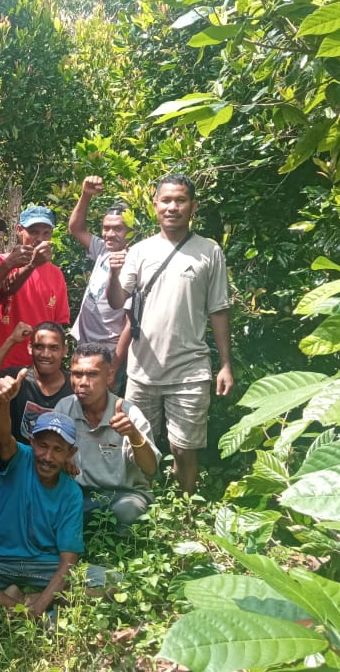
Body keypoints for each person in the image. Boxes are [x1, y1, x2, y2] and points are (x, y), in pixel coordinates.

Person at [0, 370, 107, 616]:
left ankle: (19, 599)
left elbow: (69, 561)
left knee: (113, 582)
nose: (48, 457)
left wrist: (40, 602)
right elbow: (3, 437)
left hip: (43, 567)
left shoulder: (71, 493)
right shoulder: (18, 459)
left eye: (58, 450)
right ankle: (16, 607)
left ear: (70, 453)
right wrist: (2, 403)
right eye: (43, 446)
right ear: (32, 442)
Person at [106, 173, 233, 494]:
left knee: (184, 449)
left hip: (190, 370)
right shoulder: (140, 251)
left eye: (180, 200)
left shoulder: (209, 251)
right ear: (155, 206)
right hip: (141, 370)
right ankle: (140, 510)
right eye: (166, 200)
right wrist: (114, 272)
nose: (172, 207)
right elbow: (117, 300)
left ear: (193, 206)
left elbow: (219, 310)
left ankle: (185, 515)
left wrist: (226, 365)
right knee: (137, 446)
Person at [0, 321, 73, 528]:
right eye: (39, 346)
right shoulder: (15, 377)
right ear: (29, 347)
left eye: (53, 347)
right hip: (14, 458)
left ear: (64, 350)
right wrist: (11, 340)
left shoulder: (74, 387)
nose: (45, 353)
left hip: (53, 463)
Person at [55, 343, 159, 528]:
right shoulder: (64, 408)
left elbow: (151, 469)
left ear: (109, 375)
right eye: (77, 374)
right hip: (78, 493)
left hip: (124, 494)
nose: (83, 382)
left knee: (126, 511)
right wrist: (62, 458)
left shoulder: (129, 412)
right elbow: (47, 455)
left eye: (92, 374)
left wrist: (134, 435)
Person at [67, 176, 132, 390]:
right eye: (106, 228)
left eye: (118, 229)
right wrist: (86, 195)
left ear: (131, 232)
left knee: (102, 409)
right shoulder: (104, 250)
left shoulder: (135, 261)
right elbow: (76, 228)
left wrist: (114, 365)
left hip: (108, 352)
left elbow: (131, 321)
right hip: (84, 345)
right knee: (80, 402)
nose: (109, 234)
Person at [0, 206, 70, 369]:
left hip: (43, 366)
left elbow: (59, 324)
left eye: (46, 232)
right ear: (20, 230)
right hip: (9, 361)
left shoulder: (57, 274)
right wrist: (33, 264)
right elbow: (7, 290)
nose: (40, 238)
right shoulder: (4, 262)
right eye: (34, 231)